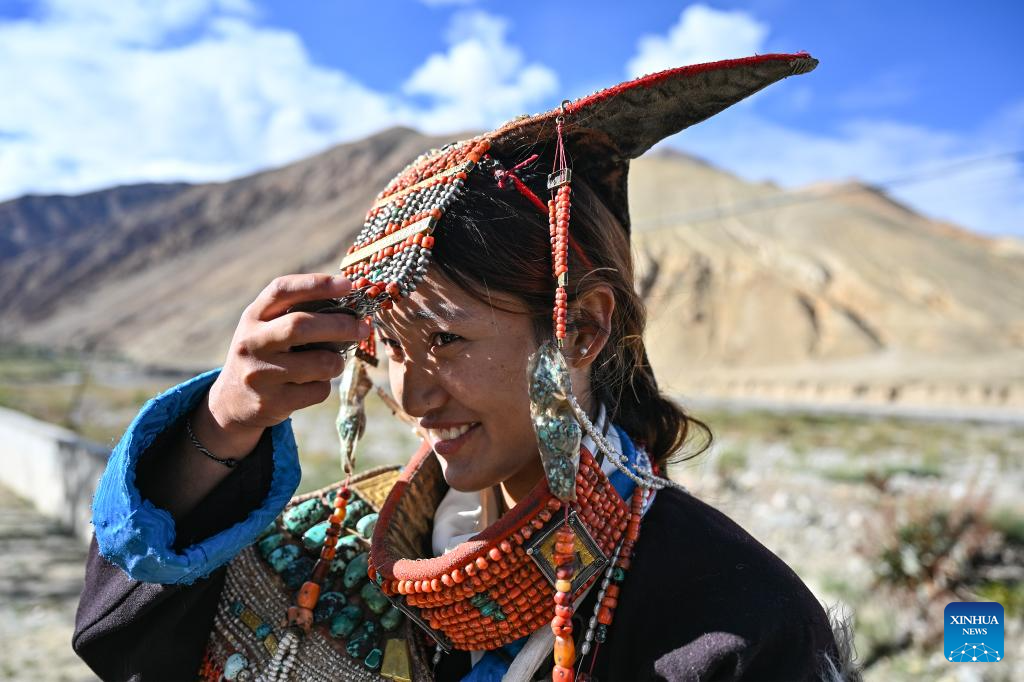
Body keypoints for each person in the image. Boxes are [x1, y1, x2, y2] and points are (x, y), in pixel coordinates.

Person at [73, 53, 858, 681]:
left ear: (581, 330)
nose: (411, 396)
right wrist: (223, 423)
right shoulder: (334, 551)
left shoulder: (736, 618)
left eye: (446, 340)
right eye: (388, 348)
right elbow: (128, 645)